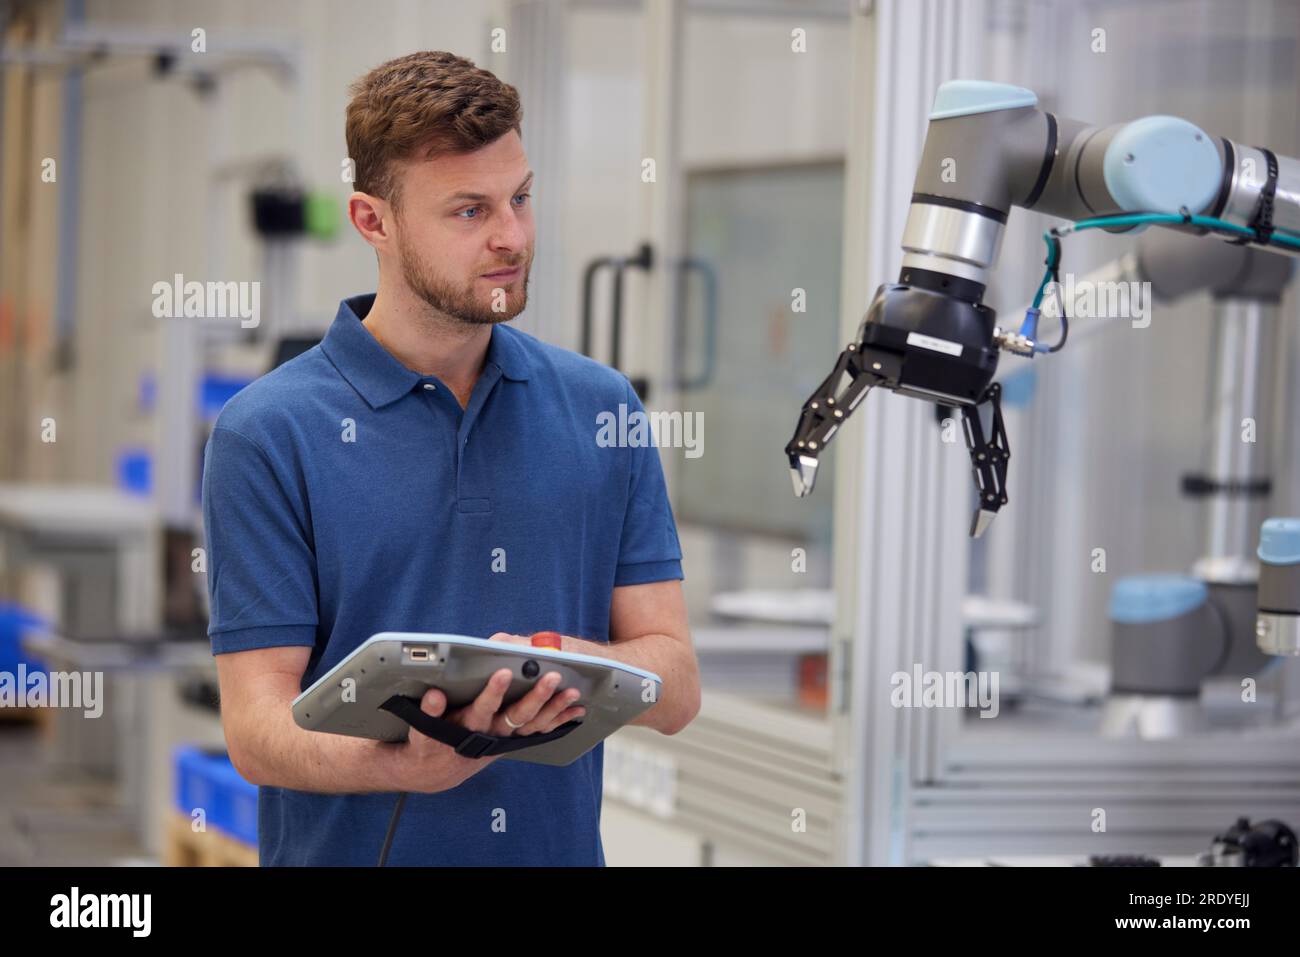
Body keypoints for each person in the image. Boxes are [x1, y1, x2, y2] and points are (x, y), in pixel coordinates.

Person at [202, 50, 700, 866]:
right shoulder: (268, 433)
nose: (512, 236)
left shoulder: (602, 409)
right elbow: (257, 730)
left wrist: (580, 667)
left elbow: (675, 685)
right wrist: (399, 765)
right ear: (373, 222)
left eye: (521, 198)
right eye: (469, 211)